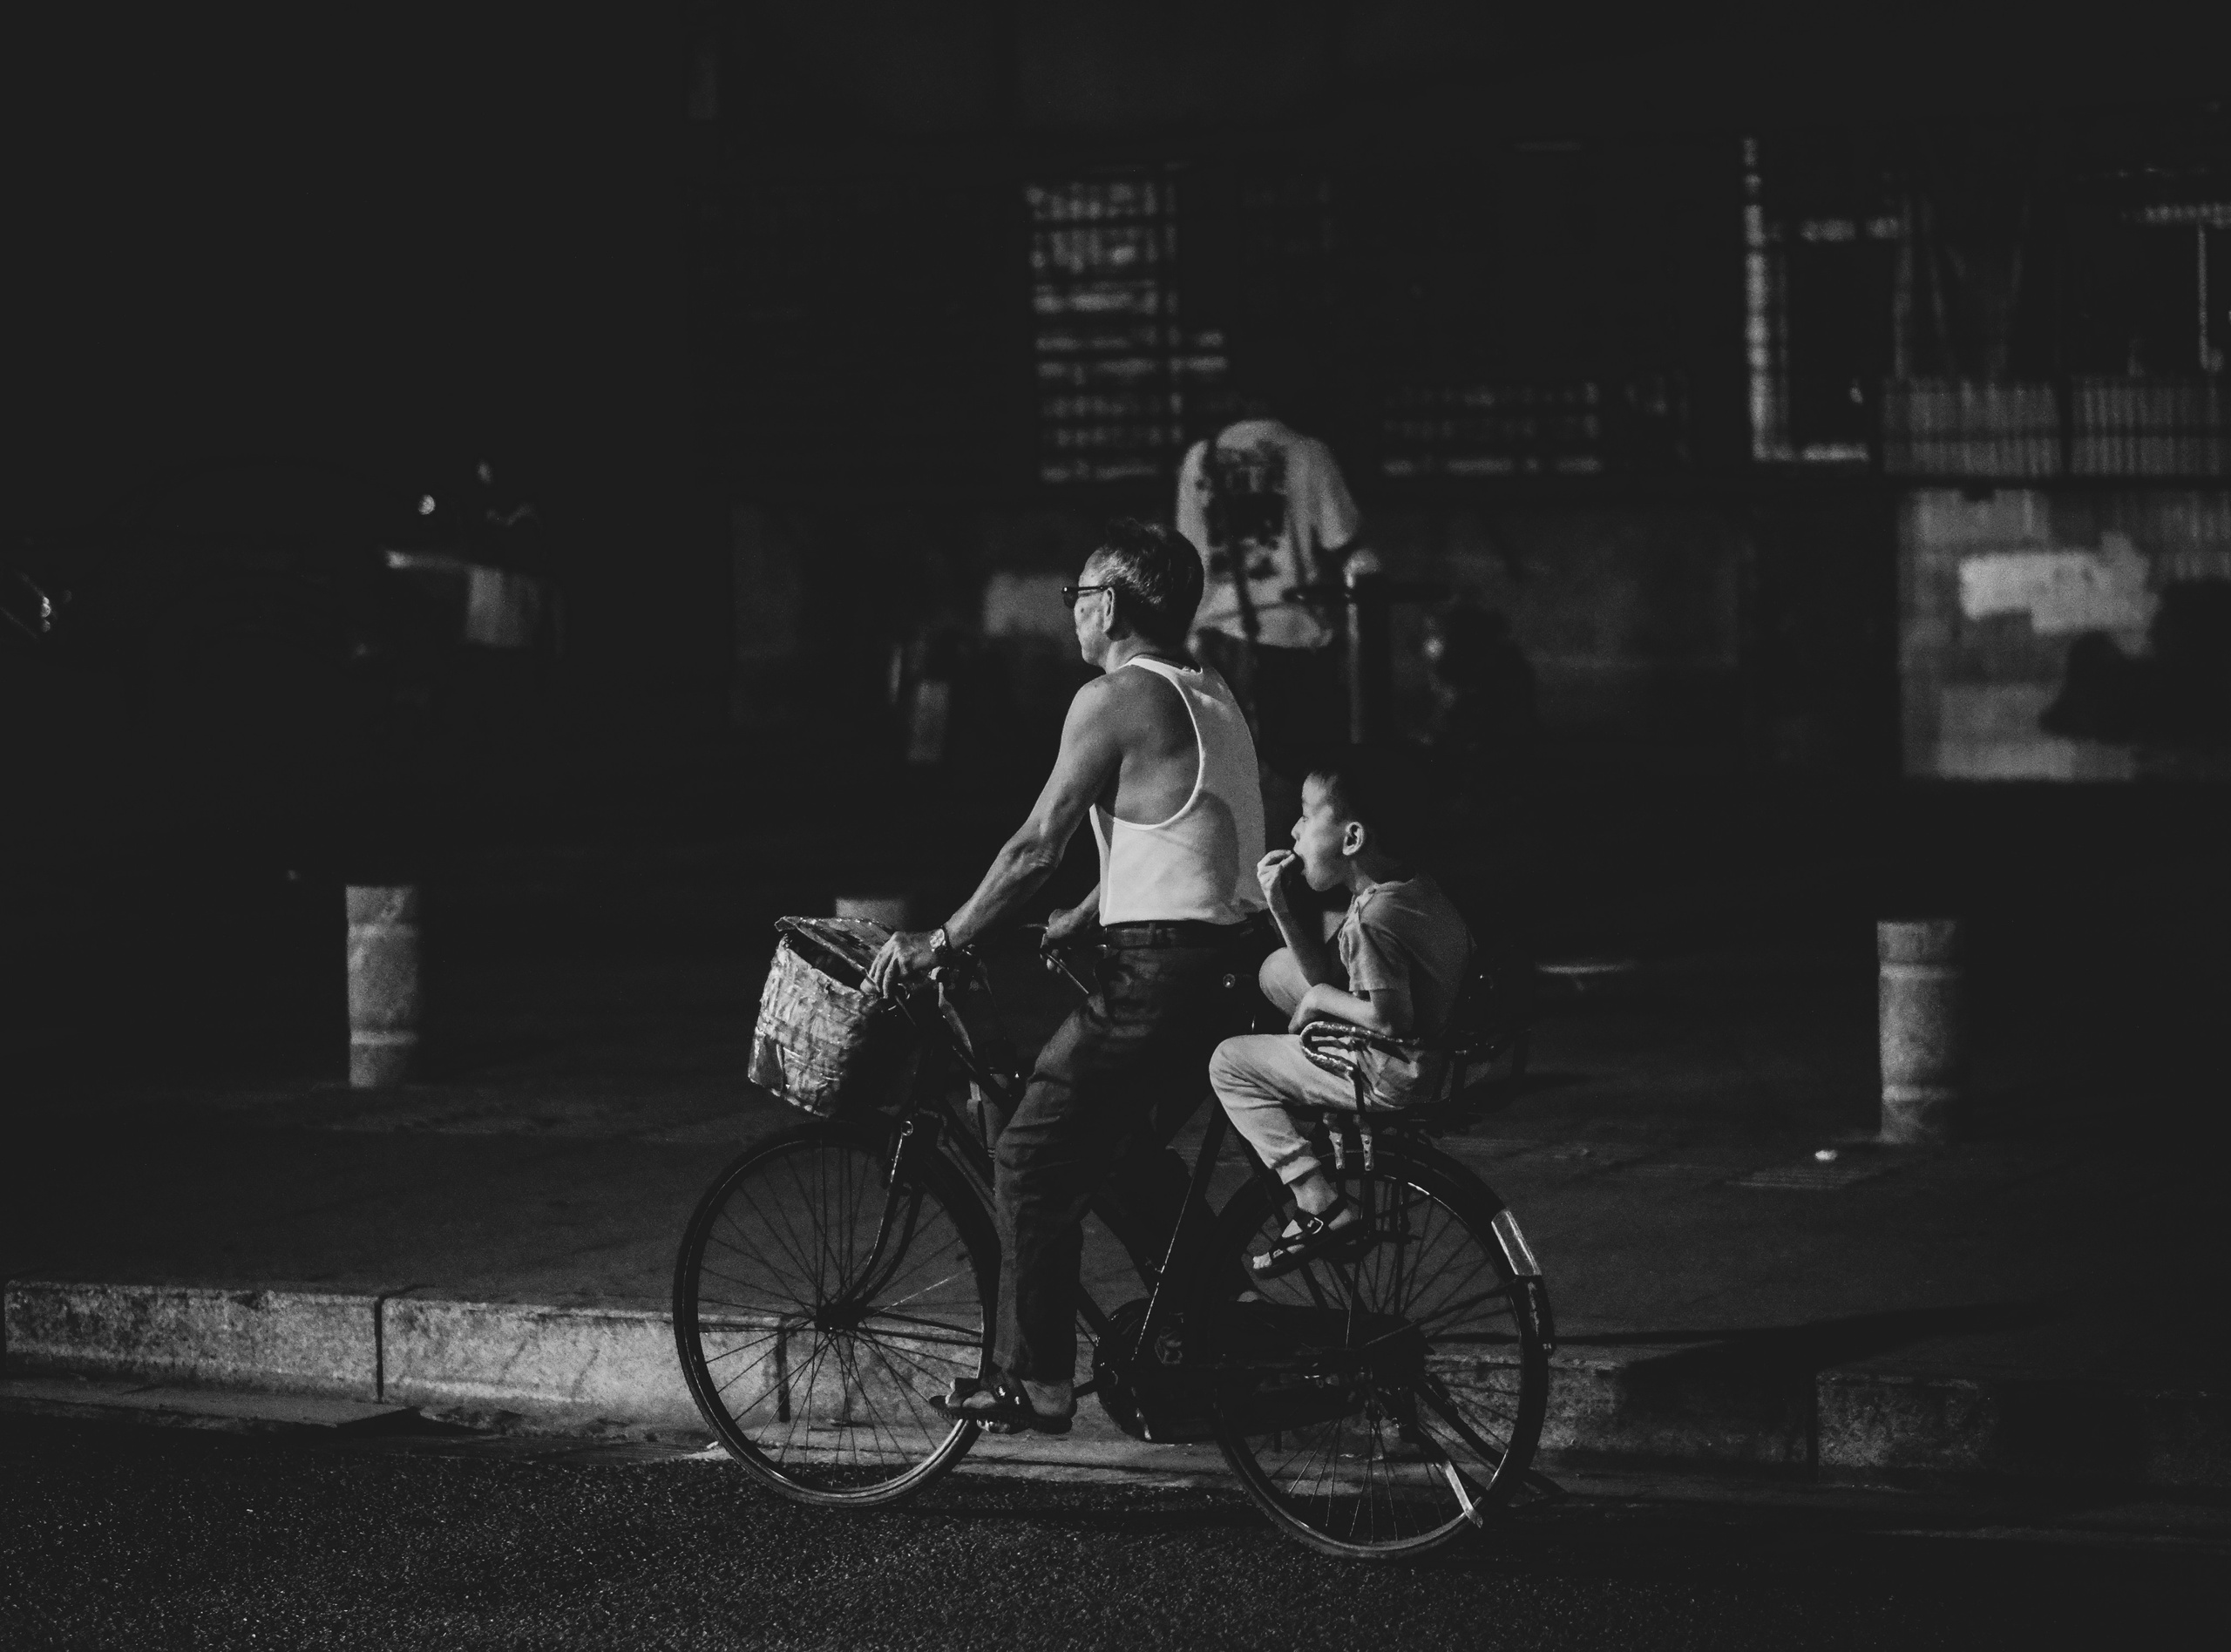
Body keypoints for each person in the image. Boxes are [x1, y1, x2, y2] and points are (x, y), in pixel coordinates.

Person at [865, 518, 1268, 1434]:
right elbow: (1187, 823)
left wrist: (946, 938)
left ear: (1113, 603)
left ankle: (1036, 1379)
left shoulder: (1113, 696)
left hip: (1158, 973)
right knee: (1117, 1149)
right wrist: (1096, 905)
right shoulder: (1205, 690)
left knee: (1031, 1157)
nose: (1072, 613)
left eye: (1078, 595)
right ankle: (1216, 1310)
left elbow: (1034, 845)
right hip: (1217, 967)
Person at [1207, 747, 1472, 1279]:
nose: (1295, 830)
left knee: (1228, 1064)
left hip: (1391, 1069)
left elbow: (1390, 1019)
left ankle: (1318, 1201)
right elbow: (1323, 971)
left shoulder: (1375, 918)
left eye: (1307, 816)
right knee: (1276, 970)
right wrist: (1281, 904)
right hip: (1424, 1053)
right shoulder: (1406, 890)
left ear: (1351, 839)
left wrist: (1319, 1002)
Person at [1175, 391, 1373, 794]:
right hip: (1294, 640)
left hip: (1215, 646)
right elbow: (1348, 545)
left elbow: (1187, 555)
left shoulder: (1201, 457)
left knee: (1226, 783)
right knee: (1302, 783)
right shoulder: (1308, 454)